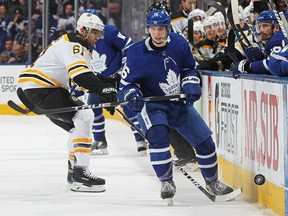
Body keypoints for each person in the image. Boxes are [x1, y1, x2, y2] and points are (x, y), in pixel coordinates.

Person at [120, 9, 234, 202]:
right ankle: (166, 181)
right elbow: (126, 84)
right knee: (158, 138)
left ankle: (212, 181)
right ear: (148, 29)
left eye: (161, 29)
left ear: (168, 29)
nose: (157, 33)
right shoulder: (136, 53)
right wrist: (132, 93)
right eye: (153, 29)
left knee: (205, 142)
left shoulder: (180, 43)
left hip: (178, 103)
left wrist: (190, 81)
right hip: (153, 105)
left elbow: (189, 67)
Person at [16, 12, 118, 192]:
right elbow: (81, 76)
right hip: (42, 89)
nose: (98, 37)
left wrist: (107, 84)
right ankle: (81, 173)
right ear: (83, 30)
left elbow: (83, 78)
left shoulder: (74, 45)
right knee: (84, 115)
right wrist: (103, 89)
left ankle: (74, 170)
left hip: (40, 90)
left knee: (76, 126)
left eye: (99, 33)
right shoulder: (75, 44)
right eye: (95, 32)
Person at [80, 9, 147, 156]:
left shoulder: (109, 32)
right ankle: (100, 141)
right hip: (99, 81)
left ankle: (141, 139)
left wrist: (123, 68)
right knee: (93, 108)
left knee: (130, 108)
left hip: (117, 79)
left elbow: (129, 46)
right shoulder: (83, 40)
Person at [232, 10, 288, 78]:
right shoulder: (270, 40)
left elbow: (273, 66)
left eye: (265, 26)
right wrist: (260, 57)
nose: (261, 30)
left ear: (276, 27)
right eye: (260, 26)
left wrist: (249, 66)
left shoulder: (278, 38)